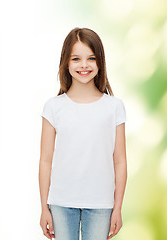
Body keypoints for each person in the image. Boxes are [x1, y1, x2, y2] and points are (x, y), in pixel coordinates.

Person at [38, 27, 127, 240]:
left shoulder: (114, 107)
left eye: (91, 58)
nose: (84, 65)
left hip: (101, 204)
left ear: (100, 63)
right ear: (66, 63)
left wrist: (117, 208)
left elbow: (120, 161)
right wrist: (44, 208)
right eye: (76, 58)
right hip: (60, 202)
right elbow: (45, 161)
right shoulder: (53, 107)